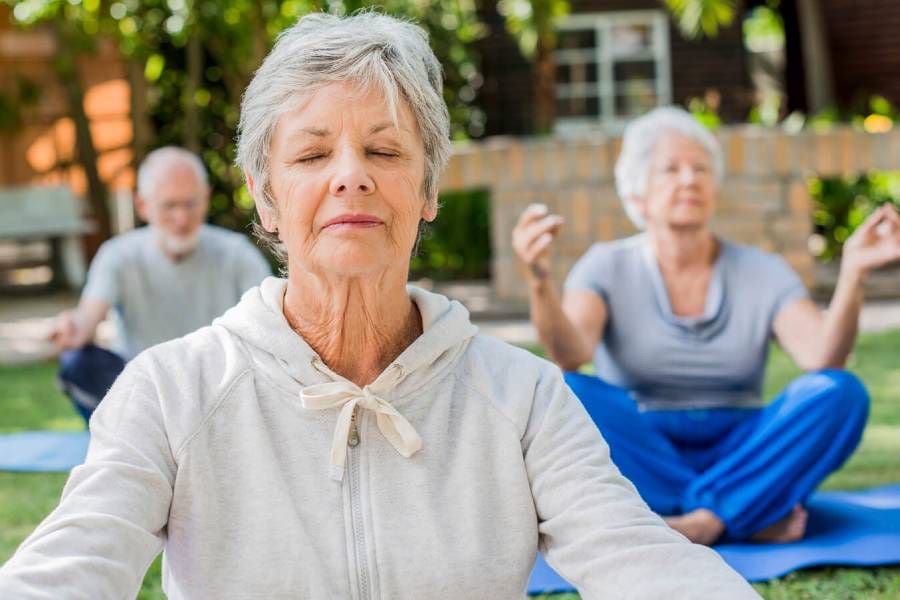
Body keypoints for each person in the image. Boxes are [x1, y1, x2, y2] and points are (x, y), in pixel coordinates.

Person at [0, 14, 758, 599]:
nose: (351, 177)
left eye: (386, 152)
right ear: (265, 199)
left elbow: (641, 559)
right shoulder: (170, 392)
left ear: (427, 192)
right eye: (310, 154)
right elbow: (69, 566)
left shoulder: (522, 397)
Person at [512, 106, 900, 545]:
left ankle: (695, 522)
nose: (689, 179)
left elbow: (822, 358)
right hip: (646, 448)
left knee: (840, 393)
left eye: (700, 169)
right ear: (637, 195)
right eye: (671, 169)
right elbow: (571, 353)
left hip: (744, 446)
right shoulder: (605, 266)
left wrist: (853, 273)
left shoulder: (764, 270)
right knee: (568, 390)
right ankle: (744, 514)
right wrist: (539, 281)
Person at [49, 146, 272, 423]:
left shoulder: (237, 253)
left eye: (191, 204)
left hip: (219, 388)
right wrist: (72, 327)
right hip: (142, 393)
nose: (182, 218)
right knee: (77, 363)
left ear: (206, 198)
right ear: (143, 205)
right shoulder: (118, 255)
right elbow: (87, 318)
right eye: (170, 205)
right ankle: (120, 437)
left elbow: (270, 325)